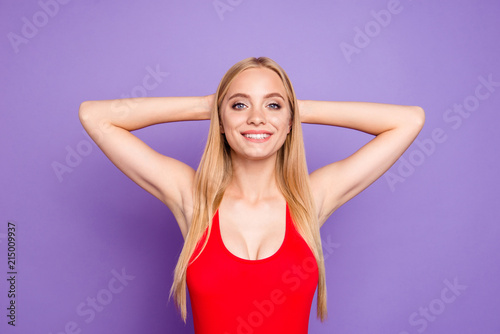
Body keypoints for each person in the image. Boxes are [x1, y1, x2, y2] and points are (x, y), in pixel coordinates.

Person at [79, 57, 425, 333]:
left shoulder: (310, 199)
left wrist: (297, 110)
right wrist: (208, 104)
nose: (257, 118)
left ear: (290, 122)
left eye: (272, 106)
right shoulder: (193, 199)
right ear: (220, 119)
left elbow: (408, 120)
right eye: (240, 106)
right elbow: (96, 116)